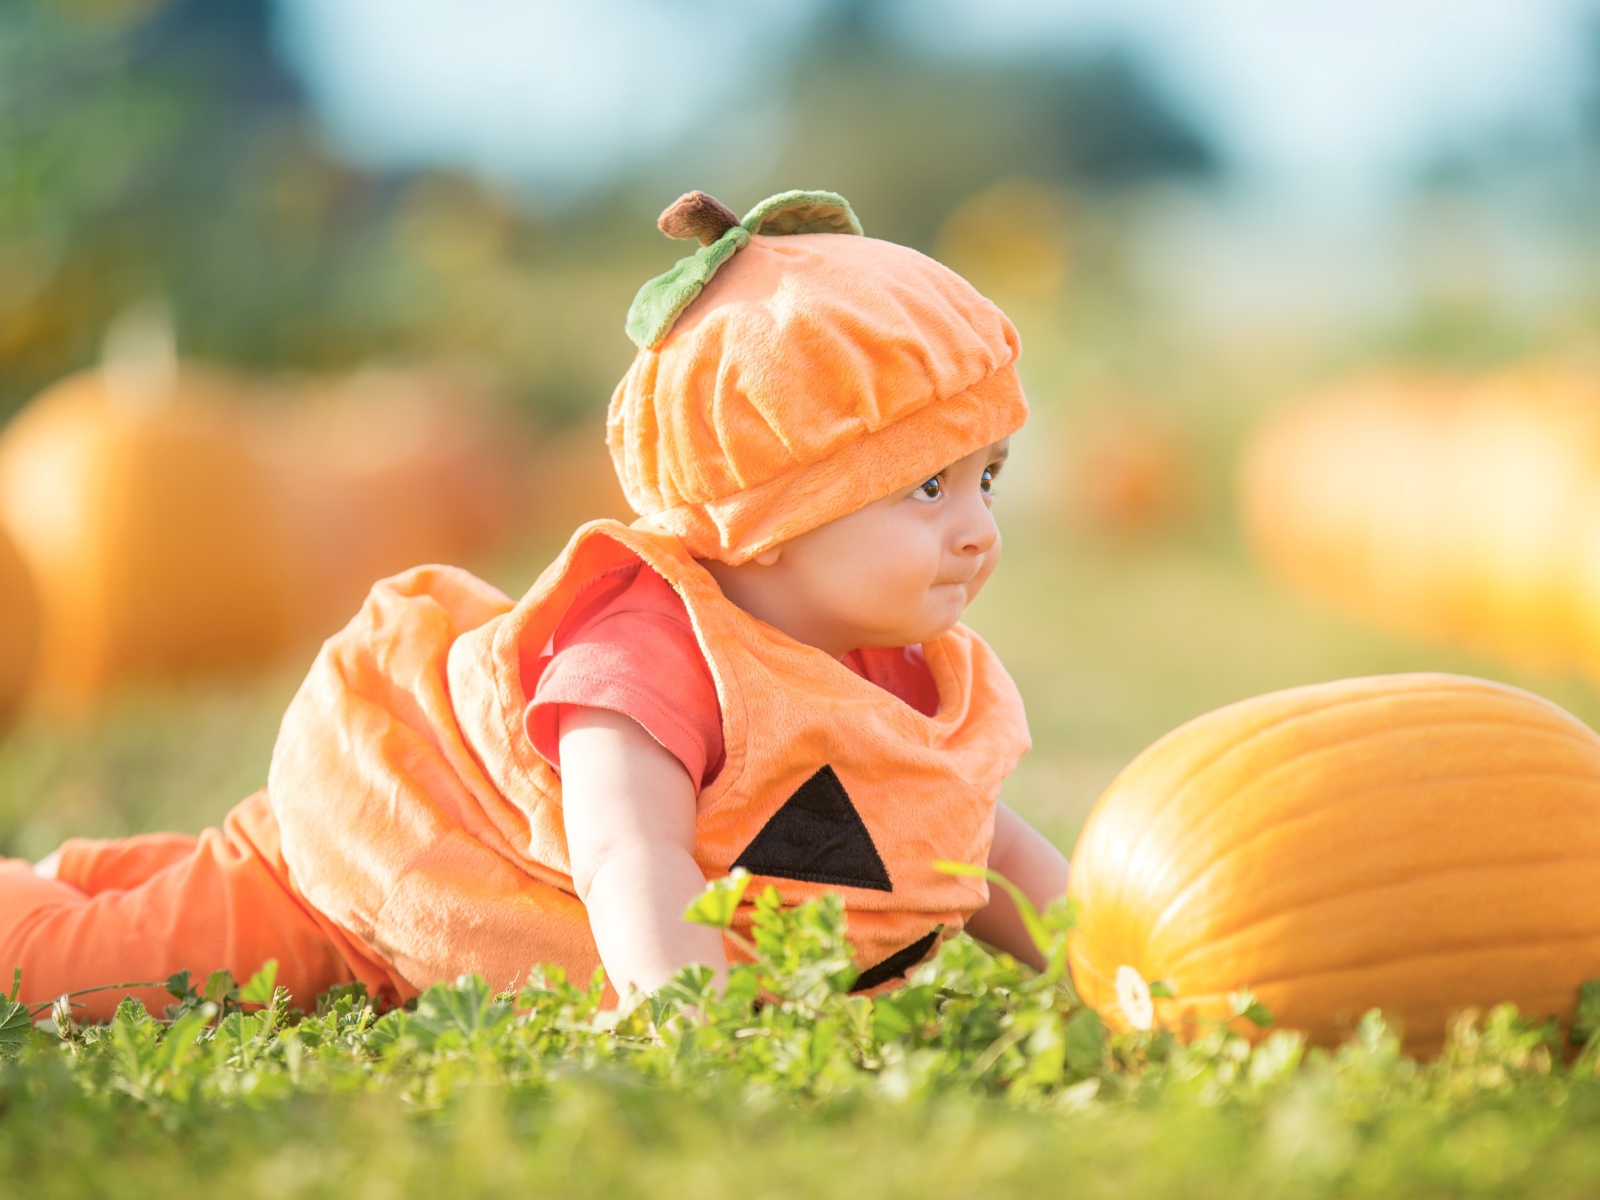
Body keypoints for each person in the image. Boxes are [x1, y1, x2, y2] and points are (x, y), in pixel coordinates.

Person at [1, 189, 1070, 1018]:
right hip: (369, 892)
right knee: (83, 972)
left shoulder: (899, 671)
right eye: (926, 488)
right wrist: (689, 1017)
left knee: (151, 890)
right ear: (770, 509)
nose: (976, 526)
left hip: (405, 903)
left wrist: (1112, 962)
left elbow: (972, 845)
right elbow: (627, 855)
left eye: (987, 477)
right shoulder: (651, 654)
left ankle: (78, 873)